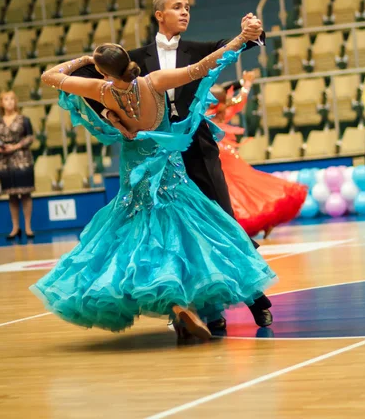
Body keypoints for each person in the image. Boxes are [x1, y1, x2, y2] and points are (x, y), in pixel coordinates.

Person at [30, 20, 278, 342]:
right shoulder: (154, 83)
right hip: (171, 179)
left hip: (136, 184)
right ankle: (201, 306)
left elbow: (50, 76)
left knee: (146, 246)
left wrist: (84, 61)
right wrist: (242, 40)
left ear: (106, 72)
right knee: (202, 236)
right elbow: (204, 66)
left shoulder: (101, 90)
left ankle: (182, 307)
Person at [207, 73, 307, 237]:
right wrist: (246, 84)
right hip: (225, 151)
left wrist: (244, 83)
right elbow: (239, 101)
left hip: (219, 152)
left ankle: (243, 220)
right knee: (244, 184)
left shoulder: (206, 114)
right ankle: (262, 219)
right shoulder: (223, 109)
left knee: (233, 186)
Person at [0, 91, 35, 240]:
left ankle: (28, 227)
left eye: (12, 99)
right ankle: (15, 227)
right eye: (6, 99)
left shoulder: (24, 119)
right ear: (1, 102)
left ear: (16, 101)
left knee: (25, 194)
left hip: (22, 160)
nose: (9, 102)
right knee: (12, 195)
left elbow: (30, 137)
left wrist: (16, 146)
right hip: (4, 162)